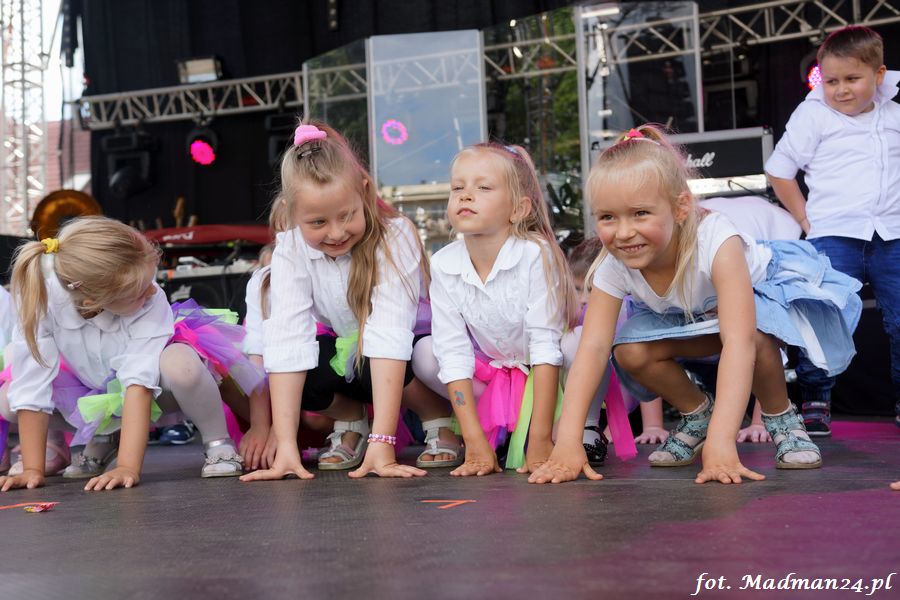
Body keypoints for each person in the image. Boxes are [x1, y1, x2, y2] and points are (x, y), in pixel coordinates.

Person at [528, 125, 862, 485]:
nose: (623, 232)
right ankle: (697, 413)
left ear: (681, 207)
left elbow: (738, 342)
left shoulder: (717, 239)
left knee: (756, 336)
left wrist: (722, 443)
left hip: (750, 313)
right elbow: (592, 348)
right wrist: (568, 441)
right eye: (608, 217)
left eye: (640, 213)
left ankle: (782, 418)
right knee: (629, 351)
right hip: (688, 319)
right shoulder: (614, 264)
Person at [240, 121, 455, 483]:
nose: (337, 232)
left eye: (347, 216)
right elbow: (288, 340)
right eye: (318, 222)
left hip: (406, 350)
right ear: (291, 214)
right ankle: (352, 420)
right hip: (357, 351)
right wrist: (286, 444)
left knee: (392, 352)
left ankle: (437, 417)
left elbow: (389, 335)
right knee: (302, 366)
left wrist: (383, 443)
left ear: (364, 193)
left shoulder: (395, 235)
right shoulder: (290, 249)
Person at [0, 217, 244, 492]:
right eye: (138, 291)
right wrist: (32, 470)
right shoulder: (41, 301)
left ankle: (217, 442)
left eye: (151, 279)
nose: (152, 290)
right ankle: (105, 437)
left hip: (157, 391)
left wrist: (127, 466)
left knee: (182, 365)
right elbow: (32, 383)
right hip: (90, 388)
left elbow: (139, 383)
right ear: (94, 301)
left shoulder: (151, 299)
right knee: (8, 400)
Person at [412, 142, 578, 476]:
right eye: (457, 187)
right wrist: (474, 442)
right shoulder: (443, 264)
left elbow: (545, 347)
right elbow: (453, 351)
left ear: (518, 209)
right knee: (425, 352)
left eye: (483, 187)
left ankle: (575, 427)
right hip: (495, 383)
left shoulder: (536, 254)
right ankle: (494, 432)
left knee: (577, 343)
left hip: (552, 379)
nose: (465, 195)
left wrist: (540, 440)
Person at [765, 25, 900, 434]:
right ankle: (815, 398)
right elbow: (779, 170)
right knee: (825, 316)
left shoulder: (894, 116)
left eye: (852, 79)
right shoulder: (813, 115)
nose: (840, 90)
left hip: (892, 234)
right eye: (831, 81)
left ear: (878, 75)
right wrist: (805, 220)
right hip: (834, 234)